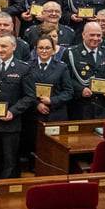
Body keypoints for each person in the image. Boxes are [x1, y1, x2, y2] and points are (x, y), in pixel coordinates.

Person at [0, 35, 36, 180]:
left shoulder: (23, 68)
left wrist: (13, 112)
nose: (0, 50)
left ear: (14, 47)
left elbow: (30, 96)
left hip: (11, 123)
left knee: (10, 159)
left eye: (4, 46)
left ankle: (6, 190)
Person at [21, 35, 74, 168]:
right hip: (34, 114)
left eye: (47, 48)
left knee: (54, 146)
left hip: (55, 114)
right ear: (36, 49)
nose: (44, 51)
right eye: (41, 48)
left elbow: (69, 92)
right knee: (34, 144)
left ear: (53, 49)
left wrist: (52, 100)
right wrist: (37, 104)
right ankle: (35, 167)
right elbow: (23, 90)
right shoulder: (27, 66)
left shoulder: (62, 67)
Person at [66, 22, 105, 119]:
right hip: (80, 107)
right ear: (83, 35)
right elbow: (66, 79)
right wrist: (80, 89)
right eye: (92, 35)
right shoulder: (71, 53)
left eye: (98, 35)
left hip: (103, 106)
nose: (96, 38)